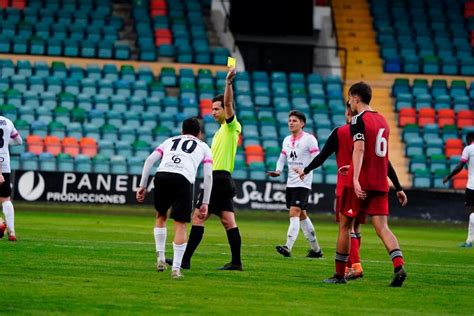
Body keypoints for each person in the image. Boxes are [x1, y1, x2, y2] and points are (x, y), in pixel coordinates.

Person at [295, 102, 407, 280]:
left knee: (346, 227)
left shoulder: (341, 132)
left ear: (349, 113)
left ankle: (351, 268)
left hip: (349, 185)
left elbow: (323, 156)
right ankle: (394, 264)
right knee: (366, 227)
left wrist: (306, 170)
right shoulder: (374, 128)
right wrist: (398, 187)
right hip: (376, 183)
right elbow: (385, 161)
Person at [323, 82, 407, 286]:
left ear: (355, 98)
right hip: (380, 183)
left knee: (345, 227)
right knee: (383, 228)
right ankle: (399, 265)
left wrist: (354, 178)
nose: (349, 103)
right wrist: (398, 187)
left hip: (360, 184)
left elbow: (359, 150)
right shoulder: (383, 121)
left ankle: (339, 274)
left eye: (349, 98)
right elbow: (383, 158)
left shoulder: (358, 120)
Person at [179, 67, 243, 271]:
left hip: (217, 179)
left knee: (198, 217)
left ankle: (185, 260)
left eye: (216, 109)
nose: (212, 112)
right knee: (228, 221)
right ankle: (236, 262)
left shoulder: (231, 126)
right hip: (223, 179)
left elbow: (229, 102)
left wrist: (228, 83)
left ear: (225, 109)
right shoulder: (220, 132)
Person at [136, 117, 213, 279]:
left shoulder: (170, 140)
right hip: (183, 178)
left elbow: (149, 160)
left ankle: (160, 259)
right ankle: (176, 269)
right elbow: (208, 176)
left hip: (162, 175)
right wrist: (205, 201)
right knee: (180, 224)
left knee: (161, 216)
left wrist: (142, 186)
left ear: (182, 131)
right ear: (199, 133)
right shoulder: (204, 146)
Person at [267, 110, 323, 258]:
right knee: (302, 215)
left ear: (302, 124)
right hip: (290, 182)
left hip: (303, 182)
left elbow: (317, 158)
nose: (291, 123)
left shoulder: (309, 139)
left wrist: (305, 169)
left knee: (294, 212)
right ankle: (316, 250)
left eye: (294, 120)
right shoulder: (286, 140)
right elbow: (282, 157)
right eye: (290, 120)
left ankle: (288, 247)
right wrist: (278, 171)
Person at [443, 132, 474, 248]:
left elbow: (460, 166)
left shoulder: (468, 149)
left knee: (471, 214)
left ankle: (469, 242)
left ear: (470, 139)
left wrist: (449, 176)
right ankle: (469, 241)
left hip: (472, 186)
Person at [0, 116, 23, 242]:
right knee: (5, 199)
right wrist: (7, 142)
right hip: (5, 164)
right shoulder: (8, 122)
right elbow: (19, 141)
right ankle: (11, 231)